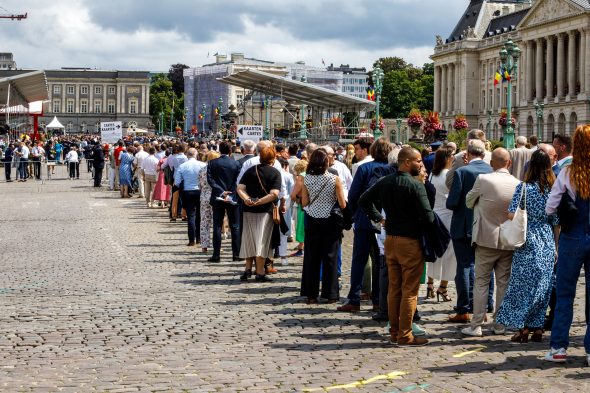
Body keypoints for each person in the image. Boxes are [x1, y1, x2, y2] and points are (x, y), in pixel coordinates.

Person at [359, 147, 435, 346]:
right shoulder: (416, 185)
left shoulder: (386, 181)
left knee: (394, 288)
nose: (421, 164)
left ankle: (394, 331)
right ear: (407, 162)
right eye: (418, 160)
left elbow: (364, 200)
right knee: (409, 290)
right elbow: (428, 217)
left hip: (390, 240)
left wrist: (379, 218)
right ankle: (405, 334)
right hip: (410, 241)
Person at [490, 150, 557, 344]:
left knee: (522, 286)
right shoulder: (552, 189)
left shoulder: (524, 188)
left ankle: (523, 329)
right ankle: (538, 328)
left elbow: (512, 214)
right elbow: (556, 220)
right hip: (546, 239)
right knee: (542, 286)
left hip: (526, 240)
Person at [461, 148, 520, 337]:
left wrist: (481, 204)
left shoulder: (484, 180)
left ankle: (476, 324)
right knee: (503, 282)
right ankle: (500, 324)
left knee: (481, 282)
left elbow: (469, 201)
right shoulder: (518, 183)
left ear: (492, 163)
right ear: (509, 163)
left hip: (486, 237)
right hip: (508, 239)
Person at [545, 125, 590, 364]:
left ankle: (559, 347)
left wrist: (564, 209)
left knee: (565, 294)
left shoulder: (568, 172)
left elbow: (550, 206)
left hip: (572, 236)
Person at [338, 137, 392, 313]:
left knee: (359, 259)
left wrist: (356, 214)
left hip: (363, 218)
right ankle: (378, 299)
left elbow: (353, 195)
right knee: (380, 261)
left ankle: (354, 299)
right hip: (384, 220)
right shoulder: (392, 169)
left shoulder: (364, 168)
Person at [446, 139, 494, 323]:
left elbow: (452, 202)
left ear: (467, 155)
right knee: (487, 267)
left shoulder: (462, 172)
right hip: (486, 226)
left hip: (464, 226)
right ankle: (486, 306)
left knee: (464, 266)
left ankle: (464, 309)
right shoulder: (492, 172)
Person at [300, 149, 347, 303]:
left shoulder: (307, 179)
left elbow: (305, 202)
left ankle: (311, 295)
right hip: (330, 221)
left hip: (312, 220)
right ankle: (331, 294)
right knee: (330, 258)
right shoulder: (334, 179)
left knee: (312, 257)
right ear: (326, 163)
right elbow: (342, 203)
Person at [236, 146, 282, 282]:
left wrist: (247, 199)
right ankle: (260, 272)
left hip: (248, 210)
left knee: (248, 239)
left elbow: (240, 188)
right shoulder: (274, 173)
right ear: (273, 159)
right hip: (265, 212)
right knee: (262, 240)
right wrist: (260, 201)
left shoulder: (251, 170)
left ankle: (247, 269)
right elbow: (274, 194)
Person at [426, 146, 456, 302]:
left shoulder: (432, 174)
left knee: (434, 252)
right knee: (450, 253)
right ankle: (443, 286)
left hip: (435, 216)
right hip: (448, 216)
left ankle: (430, 284)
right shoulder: (449, 175)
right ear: (447, 159)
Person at [207, 141, 242, 262]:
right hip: (233, 196)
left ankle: (216, 255)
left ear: (219, 150)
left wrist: (221, 191)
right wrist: (230, 191)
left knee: (217, 226)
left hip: (218, 196)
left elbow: (210, 180)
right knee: (235, 226)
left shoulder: (212, 163)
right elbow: (238, 180)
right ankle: (236, 254)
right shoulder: (236, 163)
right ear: (230, 151)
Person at [175, 148, 206, 247]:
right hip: (200, 191)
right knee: (200, 216)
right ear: (196, 154)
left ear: (187, 155)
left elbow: (177, 182)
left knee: (191, 216)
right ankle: (199, 239)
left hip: (187, 192)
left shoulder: (182, 166)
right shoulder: (203, 165)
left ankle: (191, 240)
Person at [199, 151, 220, 253]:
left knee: (204, 222)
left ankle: (204, 246)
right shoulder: (217, 170)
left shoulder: (202, 170)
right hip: (215, 196)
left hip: (204, 196)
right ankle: (217, 245)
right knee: (217, 222)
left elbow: (199, 184)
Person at [290, 160, 308, 257]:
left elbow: (294, 194)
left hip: (302, 204)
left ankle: (302, 249)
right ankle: (303, 247)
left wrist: (295, 198)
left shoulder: (301, 176)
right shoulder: (311, 174)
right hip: (311, 205)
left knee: (301, 226)